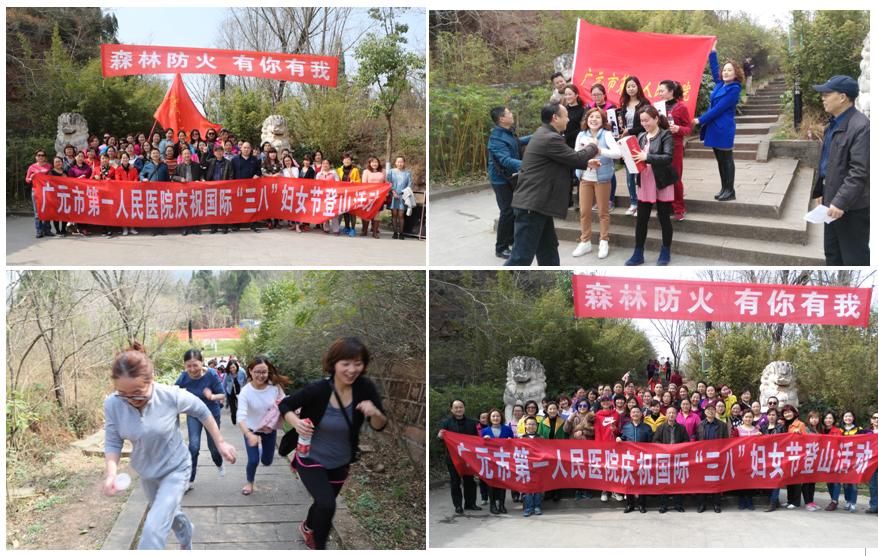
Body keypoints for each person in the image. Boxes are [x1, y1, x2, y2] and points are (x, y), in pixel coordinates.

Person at [103, 342, 236, 549]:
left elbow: (202, 411)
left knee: (153, 528)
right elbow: (113, 440)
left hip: (176, 468)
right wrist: (111, 473)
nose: (130, 400)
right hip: (147, 472)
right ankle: (187, 533)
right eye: (123, 393)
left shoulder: (170, 395)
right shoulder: (113, 403)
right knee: (169, 514)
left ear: (151, 379)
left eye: (138, 392)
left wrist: (220, 443)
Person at [280, 338, 387, 550]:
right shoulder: (318, 389)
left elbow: (379, 425)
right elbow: (285, 404)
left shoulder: (365, 388)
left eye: (358, 363)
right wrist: (296, 422)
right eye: (345, 363)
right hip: (310, 456)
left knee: (323, 503)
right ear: (334, 363)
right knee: (327, 504)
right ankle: (319, 547)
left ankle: (308, 527)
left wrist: (374, 412)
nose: (352, 369)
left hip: (341, 460)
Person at [505, 103, 599, 266]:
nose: (568, 119)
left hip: (539, 205)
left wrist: (586, 162)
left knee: (548, 250)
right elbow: (576, 158)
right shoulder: (550, 138)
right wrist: (593, 146)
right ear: (555, 118)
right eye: (566, 116)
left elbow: (564, 159)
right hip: (532, 205)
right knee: (521, 257)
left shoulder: (544, 134)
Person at [810, 75, 870, 265]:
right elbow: (827, 163)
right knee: (832, 255)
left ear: (843, 97)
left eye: (827, 94)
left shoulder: (861, 127)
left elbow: (859, 172)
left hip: (851, 208)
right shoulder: (832, 125)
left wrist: (840, 202)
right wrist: (821, 191)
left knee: (854, 258)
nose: (823, 98)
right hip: (831, 203)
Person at [625, 106, 676, 266]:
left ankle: (665, 251)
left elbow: (668, 157)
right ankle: (638, 253)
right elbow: (636, 157)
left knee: (664, 218)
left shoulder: (665, 134)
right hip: (645, 180)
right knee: (641, 219)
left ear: (656, 119)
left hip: (662, 181)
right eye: (642, 121)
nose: (644, 123)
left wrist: (646, 157)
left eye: (647, 120)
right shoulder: (641, 136)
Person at [693, 42, 743, 202]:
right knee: (720, 160)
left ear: (736, 74)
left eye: (730, 70)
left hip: (723, 128)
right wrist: (712, 52)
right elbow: (715, 71)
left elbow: (718, 109)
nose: (726, 72)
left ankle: (730, 190)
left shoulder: (734, 89)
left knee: (727, 159)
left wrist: (700, 120)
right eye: (725, 70)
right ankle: (724, 188)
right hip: (714, 128)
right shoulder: (721, 84)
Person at [237, 356, 291, 496]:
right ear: (250, 371)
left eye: (264, 372)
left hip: (268, 429)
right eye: (257, 372)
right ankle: (249, 482)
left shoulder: (275, 388)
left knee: (267, 461)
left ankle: (261, 451)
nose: (261, 375)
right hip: (251, 430)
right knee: (253, 460)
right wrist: (248, 434)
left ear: (268, 372)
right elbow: (240, 417)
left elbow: (285, 404)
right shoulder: (245, 392)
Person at [572, 108, 621, 259]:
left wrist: (600, 151)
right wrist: (587, 159)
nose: (594, 119)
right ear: (586, 119)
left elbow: (618, 153)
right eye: (591, 116)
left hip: (602, 179)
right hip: (585, 177)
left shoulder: (606, 134)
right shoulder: (581, 135)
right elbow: (576, 154)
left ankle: (604, 241)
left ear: (603, 121)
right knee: (584, 211)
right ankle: (585, 241)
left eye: (598, 117)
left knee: (603, 212)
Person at [175, 348, 226, 490]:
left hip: (211, 414)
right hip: (194, 415)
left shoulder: (211, 374)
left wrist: (212, 396)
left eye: (195, 365)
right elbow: (173, 392)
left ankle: (219, 463)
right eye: (189, 366)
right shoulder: (184, 376)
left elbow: (222, 395)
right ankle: (189, 480)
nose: (192, 369)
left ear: (202, 362)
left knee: (213, 448)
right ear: (185, 365)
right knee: (193, 446)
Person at [487, 106, 531, 259]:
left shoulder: (507, 132)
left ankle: (512, 240)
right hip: (500, 180)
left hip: (510, 177)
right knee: (507, 212)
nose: (512, 114)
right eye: (509, 113)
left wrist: (536, 136)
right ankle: (501, 248)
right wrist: (526, 165)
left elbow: (517, 143)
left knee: (514, 209)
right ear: (502, 119)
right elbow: (505, 160)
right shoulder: (496, 138)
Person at [658, 80, 692, 221]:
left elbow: (688, 128)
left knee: (675, 176)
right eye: (659, 91)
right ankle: (665, 206)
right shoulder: (658, 107)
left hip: (675, 145)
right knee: (662, 176)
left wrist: (678, 129)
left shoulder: (681, 107)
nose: (660, 93)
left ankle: (679, 208)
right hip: (659, 144)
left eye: (662, 91)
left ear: (671, 91)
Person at [619, 76, 651, 216]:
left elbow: (646, 125)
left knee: (640, 173)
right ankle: (633, 203)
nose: (631, 89)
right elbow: (622, 125)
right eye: (628, 86)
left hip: (640, 141)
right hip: (626, 142)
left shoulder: (645, 104)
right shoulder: (623, 104)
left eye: (633, 86)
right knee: (629, 174)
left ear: (638, 87)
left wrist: (630, 131)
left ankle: (642, 202)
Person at [653, 406, 689, 512]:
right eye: (669, 413)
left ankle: (678, 504)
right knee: (664, 482)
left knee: (677, 482)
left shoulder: (681, 428)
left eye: (673, 413)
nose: (671, 415)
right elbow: (655, 441)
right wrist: (665, 448)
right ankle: (663, 505)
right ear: (666, 415)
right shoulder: (661, 427)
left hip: (678, 458)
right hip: (665, 459)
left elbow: (686, 441)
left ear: (676, 415)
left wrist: (678, 448)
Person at [694, 403, 728, 513]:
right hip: (703, 457)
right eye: (708, 409)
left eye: (712, 409)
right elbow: (696, 441)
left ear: (716, 411)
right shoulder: (700, 425)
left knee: (716, 481)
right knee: (702, 481)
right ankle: (702, 504)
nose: (710, 411)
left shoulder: (722, 425)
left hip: (717, 456)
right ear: (705, 412)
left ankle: (716, 504)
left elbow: (726, 442)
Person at [618, 405, 652, 513]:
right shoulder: (626, 427)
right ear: (630, 415)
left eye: (637, 412)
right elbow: (623, 438)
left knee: (642, 482)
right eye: (633, 412)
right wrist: (619, 439)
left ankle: (641, 505)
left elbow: (651, 443)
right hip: (630, 458)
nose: (635, 414)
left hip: (642, 458)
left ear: (641, 414)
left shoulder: (647, 427)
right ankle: (630, 505)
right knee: (629, 481)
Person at [480, 408, 514, 514]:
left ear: (501, 417)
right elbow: (479, 446)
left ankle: (502, 504)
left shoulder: (507, 429)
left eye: (498, 416)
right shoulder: (484, 431)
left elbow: (514, 444)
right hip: (490, 460)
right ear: (490, 418)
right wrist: (483, 440)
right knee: (491, 483)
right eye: (493, 416)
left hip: (504, 459)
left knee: (503, 482)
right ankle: (493, 505)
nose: (496, 418)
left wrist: (510, 441)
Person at [231, 142, 262, 233]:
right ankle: (236, 225)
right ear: (241, 148)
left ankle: (253, 225)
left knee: (251, 206)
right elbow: (232, 173)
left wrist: (257, 175)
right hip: (238, 187)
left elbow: (259, 171)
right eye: (244, 147)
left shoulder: (254, 159)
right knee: (238, 206)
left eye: (248, 148)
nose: (246, 149)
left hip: (251, 187)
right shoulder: (235, 159)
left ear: (250, 149)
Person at [761, 408, 786, 512]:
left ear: (776, 416)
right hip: (766, 456)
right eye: (770, 415)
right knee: (768, 479)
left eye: (773, 415)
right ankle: (775, 500)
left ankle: (773, 502)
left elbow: (786, 440)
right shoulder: (763, 428)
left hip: (777, 456)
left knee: (776, 480)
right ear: (767, 416)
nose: (771, 417)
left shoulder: (781, 427)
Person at [735, 409, 761, 510]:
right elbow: (733, 443)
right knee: (741, 480)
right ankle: (741, 500)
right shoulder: (737, 429)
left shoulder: (757, 429)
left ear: (753, 418)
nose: (748, 419)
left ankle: (750, 500)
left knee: (751, 480)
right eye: (746, 417)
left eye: (750, 417)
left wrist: (760, 436)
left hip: (753, 458)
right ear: (742, 418)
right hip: (741, 458)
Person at [174, 148, 203, 236]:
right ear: (182, 156)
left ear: (191, 155)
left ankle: (195, 228)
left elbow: (201, 174)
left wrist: (201, 179)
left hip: (195, 190)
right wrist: (180, 179)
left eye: (188, 154)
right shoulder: (179, 166)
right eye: (185, 154)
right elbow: (173, 177)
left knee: (195, 209)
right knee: (185, 209)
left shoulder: (197, 165)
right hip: (184, 191)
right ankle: (185, 228)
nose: (187, 155)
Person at [840, 410, 864, 512]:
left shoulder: (859, 429)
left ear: (853, 418)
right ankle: (848, 501)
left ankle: (853, 503)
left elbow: (868, 438)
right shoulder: (840, 430)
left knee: (854, 483)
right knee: (845, 483)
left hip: (855, 460)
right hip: (843, 459)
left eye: (850, 416)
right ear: (843, 418)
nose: (848, 418)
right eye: (846, 416)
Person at [25, 149, 53, 238]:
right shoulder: (32, 167)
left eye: (42, 155)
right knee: (37, 212)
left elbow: (53, 178)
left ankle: (47, 229)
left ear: (45, 157)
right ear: (36, 157)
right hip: (36, 191)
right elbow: (27, 180)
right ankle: (39, 230)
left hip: (47, 191)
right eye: (39, 155)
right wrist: (31, 177)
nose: (40, 157)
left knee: (47, 210)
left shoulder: (49, 166)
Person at [519, 416, 543, 516]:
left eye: (533, 424)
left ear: (536, 426)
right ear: (525, 426)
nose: (531, 426)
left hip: (538, 466)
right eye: (529, 424)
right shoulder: (521, 438)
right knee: (527, 489)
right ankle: (528, 508)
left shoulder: (541, 438)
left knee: (538, 488)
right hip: (526, 466)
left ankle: (537, 506)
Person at [113, 152, 139, 236]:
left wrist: (132, 185)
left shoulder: (134, 169)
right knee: (123, 210)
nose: (125, 159)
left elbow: (136, 178)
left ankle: (132, 228)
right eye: (123, 158)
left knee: (132, 210)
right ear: (121, 160)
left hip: (132, 192)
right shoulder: (118, 169)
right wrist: (125, 186)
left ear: (129, 159)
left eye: (126, 158)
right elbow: (117, 180)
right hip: (122, 192)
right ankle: (124, 228)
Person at [822, 410, 844, 511]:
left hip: (835, 458)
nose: (828, 420)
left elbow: (841, 444)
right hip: (824, 459)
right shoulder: (821, 430)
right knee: (829, 481)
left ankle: (834, 501)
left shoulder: (837, 431)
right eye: (826, 418)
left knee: (836, 480)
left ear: (834, 420)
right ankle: (833, 499)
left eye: (830, 418)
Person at [387, 155, 412, 240]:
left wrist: (403, 192)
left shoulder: (407, 173)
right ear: (395, 163)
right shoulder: (391, 171)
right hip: (393, 195)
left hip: (403, 196)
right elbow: (388, 183)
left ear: (404, 163)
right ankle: (395, 232)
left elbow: (409, 185)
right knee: (394, 215)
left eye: (401, 162)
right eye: (398, 162)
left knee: (401, 215)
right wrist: (393, 192)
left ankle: (401, 233)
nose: (400, 163)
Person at [336, 153, 361, 237]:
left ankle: (353, 229)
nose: (347, 161)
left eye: (348, 159)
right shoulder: (338, 170)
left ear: (351, 161)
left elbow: (359, 181)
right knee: (345, 211)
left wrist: (355, 182)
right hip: (342, 194)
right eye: (345, 159)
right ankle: (347, 227)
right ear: (342, 161)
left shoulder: (355, 170)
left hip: (352, 193)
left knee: (352, 212)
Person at [360, 156, 385, 238]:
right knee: (367, 212)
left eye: (376, 162)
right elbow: (364, 184)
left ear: (378, 163)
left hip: (379, 196)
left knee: (377, 214)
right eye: (373, 162)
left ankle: (375, 232)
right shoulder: (366, 171)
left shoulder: (383, 171)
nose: (374, 164)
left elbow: (385, 182)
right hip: (368, 195)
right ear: (370, 163)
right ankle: (364, 230)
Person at [223, 359, 246, 424]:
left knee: (241, 407)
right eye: (230, 368)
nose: (232, 369)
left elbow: (246, 380)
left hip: (240, 391)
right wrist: (224, 395)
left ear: (236, 366)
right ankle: (234, 419)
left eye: (233, 367)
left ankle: (242, 420)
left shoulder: (242, 371)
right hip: (230, 392)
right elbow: (224, 385)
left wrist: (244, 389)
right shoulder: (227, 374)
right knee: (233, 409)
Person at [867, 410, 878, 515]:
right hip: (871, 462)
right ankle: (874, 506)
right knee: (872, 485)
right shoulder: (867, 433)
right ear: (871, 420)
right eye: (874, 418)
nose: (876, 420)